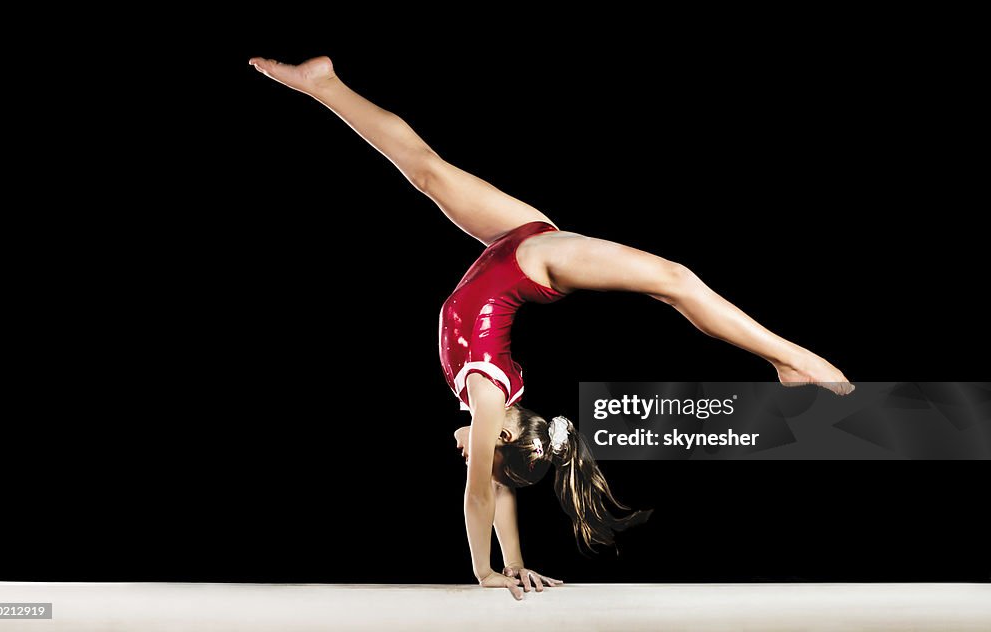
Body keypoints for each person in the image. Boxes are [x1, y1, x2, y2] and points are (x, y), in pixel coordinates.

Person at [249, 55, 854, 600]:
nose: (466, 460)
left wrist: (514, 563)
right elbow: (481, 496)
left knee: (426, 170)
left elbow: (498, 490)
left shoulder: (494, 398)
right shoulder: (488, 396)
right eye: (482, 460)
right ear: (503, 443)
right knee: (674, 279)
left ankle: (323, 84)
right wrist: (483, 571)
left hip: (514, 241)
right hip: (534, 263)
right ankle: (795, 361)